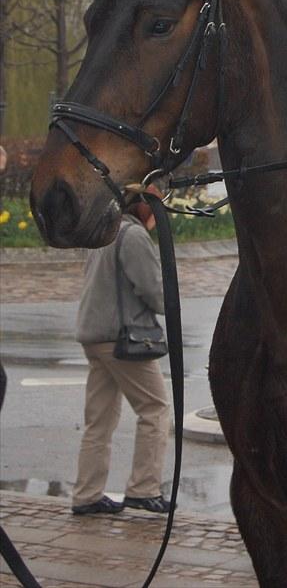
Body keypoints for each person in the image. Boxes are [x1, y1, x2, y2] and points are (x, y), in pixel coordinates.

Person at [71, 190, 170, 515]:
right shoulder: (134, 236)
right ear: (144, 207)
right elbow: (153, 291)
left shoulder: (106, 232)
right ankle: (144, 489)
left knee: (99, 421)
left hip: (94, 337)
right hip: (122, 340)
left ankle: (87, 494)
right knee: (155, 409)